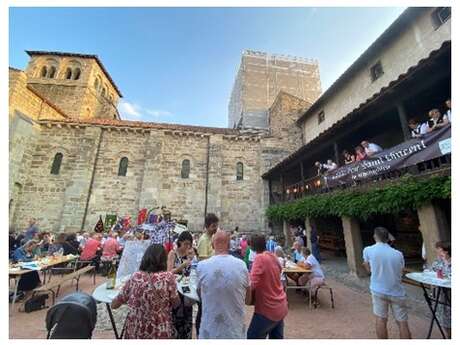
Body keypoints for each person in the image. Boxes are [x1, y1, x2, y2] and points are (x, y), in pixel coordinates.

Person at [111, 244, 180, 338]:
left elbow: (114, 305)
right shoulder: (168, 278)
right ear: (163, 260)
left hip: (136, 328)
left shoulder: (136, 277)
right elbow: (176, 303)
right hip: (158, 328)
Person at [196, 230, 250, 339]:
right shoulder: (242, 265)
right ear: (229, 245)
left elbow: (200, 294)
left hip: (210, 331)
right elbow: (248, 299)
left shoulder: (201, 266)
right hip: (234, 331)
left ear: (212, 245)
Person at [362, 227, 411, 339]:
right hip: (396, 291)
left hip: (378, 289)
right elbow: (401, 271)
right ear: (388, 238)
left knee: (381, 319)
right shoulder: (398, 254)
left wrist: (371, 270)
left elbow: (368, 268)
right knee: (402, 322)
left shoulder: (368, 250)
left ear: (375, 236)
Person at [247, 234, 288, 339]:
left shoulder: (259, 258)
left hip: (267, 308)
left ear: (252, 246)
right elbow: (278, 271)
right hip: (280, 305)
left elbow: (252, 283)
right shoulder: (272, 256)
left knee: (252, 337)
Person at [195, 213, 219, 337]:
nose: (215, 229)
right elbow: (202, 262)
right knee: (203, 309)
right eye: (213, 226)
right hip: (206, 280)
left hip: (212, 278)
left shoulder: (212, 238)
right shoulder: (204, 240)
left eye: (216, 226)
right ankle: (200, 334)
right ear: (207, 226)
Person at [167, 231, 194, 339]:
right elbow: (168, 272)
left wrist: (192, 259)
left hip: (187, 290)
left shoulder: (189, 254)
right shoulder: (173, 253)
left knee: (187, 316)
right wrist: (182, 266)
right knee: (176, 316)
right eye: (185, 244)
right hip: (176, 290)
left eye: (189, 244)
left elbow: (192, 271)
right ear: (180, 242)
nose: (187, 246)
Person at [431, 241, 451, 338]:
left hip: (450, 292)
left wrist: (446, 262)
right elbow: (432, 270)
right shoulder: (438, 261)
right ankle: (449, 337)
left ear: (445, 251)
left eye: (438, 249)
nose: (436, 250)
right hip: (442, 293)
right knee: (445, 317)